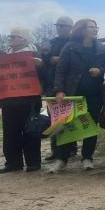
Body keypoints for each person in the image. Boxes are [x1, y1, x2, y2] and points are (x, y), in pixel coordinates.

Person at [50, 19, 105, 173]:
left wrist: (100, 71)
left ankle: (87, 157)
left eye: (96, 27)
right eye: (91, 27)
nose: (95, 30)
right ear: (82, 29)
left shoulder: (101, 48)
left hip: (94, 94)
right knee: (67, 126)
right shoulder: (69, 47)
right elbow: (60, 70)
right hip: (72, 94)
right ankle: (62, 159)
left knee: (90, 126)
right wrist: (59, 90)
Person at [0, 28, 42, 174]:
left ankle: (33, 162)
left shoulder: (34, 54)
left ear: (24, 39)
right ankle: (13, 162)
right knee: (10, 133)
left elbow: (44, 75)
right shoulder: (3, 57)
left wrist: (39, 65)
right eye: (10, 36)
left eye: (14, 36)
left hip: (29, 100)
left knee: (30, 131)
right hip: (8, 101)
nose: (10, 38)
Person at [43, 16, 74, 162]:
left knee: (68, 118)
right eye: (58, 25)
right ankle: (55, 149)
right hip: (51, 84)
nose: (60, 28)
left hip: (68, 85)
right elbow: (45, 59)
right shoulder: (51, 42)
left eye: (63, 25)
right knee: (54, 118)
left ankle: (71, 148)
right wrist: (49, 58)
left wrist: (60, 59)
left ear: (70, 27)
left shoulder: (74, 42)